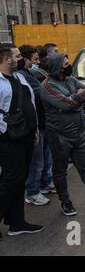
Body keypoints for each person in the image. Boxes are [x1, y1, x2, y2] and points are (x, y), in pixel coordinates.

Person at [40, 53, 85, 216]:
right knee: (60, 170)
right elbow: (67, 104)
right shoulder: (47, 86)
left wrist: (75, 100)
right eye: (65, 64)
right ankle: (66, 202)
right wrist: (77, 99)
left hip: (79, 133)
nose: (68, 65)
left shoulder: (70, 80)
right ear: (57, 67)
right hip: (59, 135)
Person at [0, 44, 43, 239]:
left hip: (25, 135)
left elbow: (29, 103)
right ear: (7, 59)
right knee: (12, 180)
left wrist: (33, 131)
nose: (21, 59)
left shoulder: (18, 77)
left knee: (18, 181)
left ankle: (17, 222)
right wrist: (4, 130)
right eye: (17, 56)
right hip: (8, 138)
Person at [18, 45, 54, 206]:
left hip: (42, 122)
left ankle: (45, 183)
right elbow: (38, 94)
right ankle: (32, 192)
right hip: (35, 124)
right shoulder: (22, 76)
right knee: (36, 161)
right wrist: (47, 84)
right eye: (35, 59)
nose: (38, 62)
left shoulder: (31, 73)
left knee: (46, 156)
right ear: (26, 60)